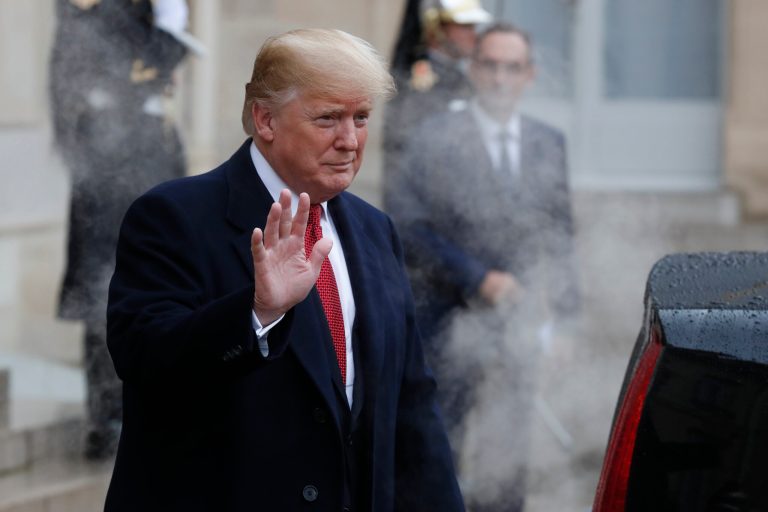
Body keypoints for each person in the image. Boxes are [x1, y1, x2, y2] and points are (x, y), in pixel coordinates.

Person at [104, 28, 465, 512]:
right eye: (327, 118)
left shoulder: (375, 229)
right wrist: (257, 313)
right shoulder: (175, 215)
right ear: (265, 119)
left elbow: (412, 404)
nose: (350, 141)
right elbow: (143, 360)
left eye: (360, 118)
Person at [389, 23, 581, 511]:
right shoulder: (434, 136)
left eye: (512, 68)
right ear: (473, 69)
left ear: (529, 75)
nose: (500, 78)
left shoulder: (548, 142)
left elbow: (560, 235)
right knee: (439, 454)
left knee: (508, 455)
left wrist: (564, 321)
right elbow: (407, 226)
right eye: (490, 65)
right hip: (444, 322)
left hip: (518, 326)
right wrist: (478, 278)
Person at [50, 0, 192, 459]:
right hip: (109, 147)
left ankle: (149, 407)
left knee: (164, 278)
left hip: (152, 147)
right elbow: (77, 60)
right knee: (103, 284)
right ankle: (109, 414)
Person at [382, 0, 491, 211]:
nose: (474, 34)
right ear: (436, 28)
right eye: (465, 26)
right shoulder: (420, 81)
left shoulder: (460, 77)